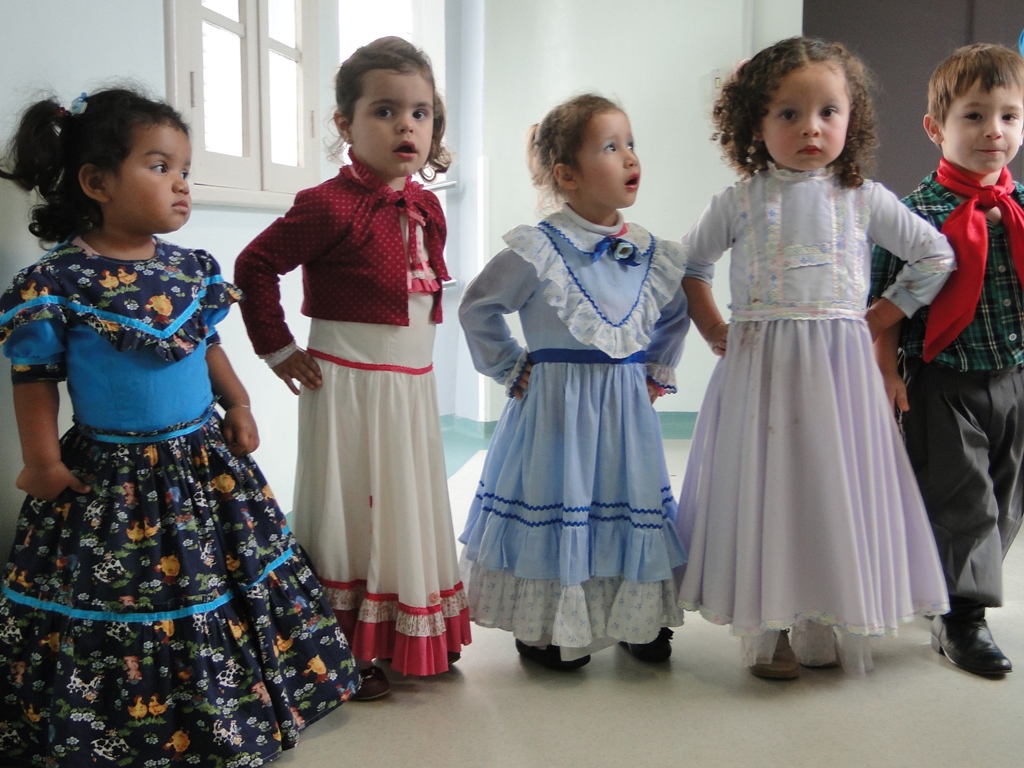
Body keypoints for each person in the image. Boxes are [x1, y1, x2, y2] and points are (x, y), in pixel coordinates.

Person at [0, 87, 357, 765]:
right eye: (160, 166)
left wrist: (240, 405)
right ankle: (128, 731)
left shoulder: (191, 270)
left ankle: (245, 704)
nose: (182, 185)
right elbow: (34, 381)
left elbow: (208, 346)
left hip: (204, 464)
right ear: (96, 182)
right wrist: (42, 460)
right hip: (113, 479)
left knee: (226, 580)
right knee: (124, 596)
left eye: (186, 170)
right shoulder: (56, 283)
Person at [676, 37, 954, 679]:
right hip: (762, 371)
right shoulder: (740, 201)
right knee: (770, 487)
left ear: (851, 119)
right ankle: (768, 627)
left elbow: (934, 254)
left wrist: (881, 315)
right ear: (754, 124)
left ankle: (824, 615)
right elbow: (688, 265)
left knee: (831, 485)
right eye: (789, 114)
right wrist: (715, 326)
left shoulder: (861, 198)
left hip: (840, 372)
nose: (811, 128)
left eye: (829, 111)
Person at [233, 36, 469, 699]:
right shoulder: (326, 205)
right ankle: (341, 648)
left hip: (410, 389)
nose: (407, 126)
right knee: (353, 508)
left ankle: (408, 633)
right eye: (386, 111)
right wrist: (278, 347)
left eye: (421, 114)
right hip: (350, 387)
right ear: (345, 123)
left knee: (407, 505)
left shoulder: (427, 205)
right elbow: (254, 266)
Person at [458, 94, 689, 671]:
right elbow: (478, 308)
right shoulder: (537, 247)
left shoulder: (651, 253)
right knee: (563, 505)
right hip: (556, 413)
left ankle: (636, 615)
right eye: (611, 147)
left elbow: (677, 311)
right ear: (568, 174)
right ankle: (545, 629)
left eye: (631, 143)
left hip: (624, 415)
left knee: (626, 500)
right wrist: (511, 366)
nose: (630, 156)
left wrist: (657, 369)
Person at [871, 43, 1024, 677]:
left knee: (1006, 497)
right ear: (937, 127)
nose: (994, 131)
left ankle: (949, 584)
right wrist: (885, 373)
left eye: (1010, 117)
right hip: (943, 379)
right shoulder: (912, 216)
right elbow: (882, 306)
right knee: (964, 498)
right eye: (975, 115)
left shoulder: (1020, 210)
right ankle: (963, 617)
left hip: (1013, 376)